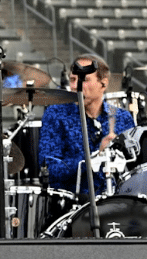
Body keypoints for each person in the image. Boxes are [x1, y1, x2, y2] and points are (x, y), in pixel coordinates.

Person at [39, 54, 134, 196]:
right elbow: (48, 169)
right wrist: (94, 158)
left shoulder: (122, 118)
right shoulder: (55, 114)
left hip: (117, 203)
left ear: (103, 83)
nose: (74, 86)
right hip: (72, 207)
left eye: (84, 79)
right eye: (73, 79)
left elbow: (135, 169)